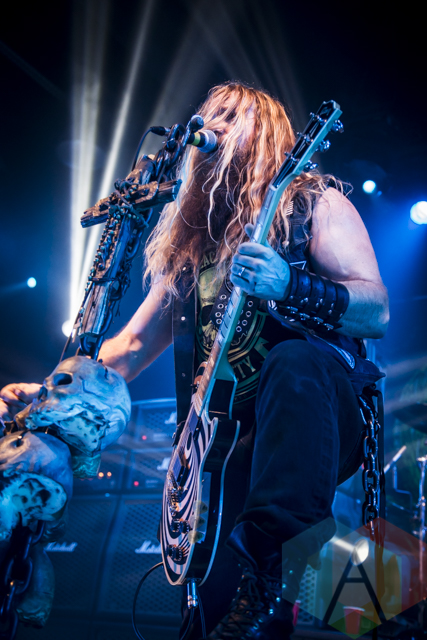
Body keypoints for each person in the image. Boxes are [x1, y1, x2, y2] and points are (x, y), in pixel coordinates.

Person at [0, 82, 389, 639]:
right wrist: (43, 396)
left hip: (316, 418)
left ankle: (273, 571)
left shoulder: (313, 203)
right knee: (217, 610)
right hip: (227, 446)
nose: (214, 125)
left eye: (232, 116)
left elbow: (376, 310)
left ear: (266, 132)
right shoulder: (193, 245)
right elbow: (130, 349)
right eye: (211, 114)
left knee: (294, 360)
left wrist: (290, 284)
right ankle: (248, 598)